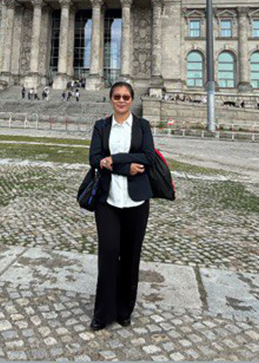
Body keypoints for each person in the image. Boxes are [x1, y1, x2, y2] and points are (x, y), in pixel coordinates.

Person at [87, 81, 156, 331]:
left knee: (130, 256)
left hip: (136, 200)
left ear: (131, 99)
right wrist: (126, 167)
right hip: (108, 200)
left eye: (126, 97)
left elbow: (148, 157)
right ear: (111, 99)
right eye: (117, 96)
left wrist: (114, 161)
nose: (122, 100)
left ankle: (125, 310)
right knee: (108, 254)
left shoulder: (142, 126)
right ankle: (103, 313)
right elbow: (94, 158)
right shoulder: (101, 126)